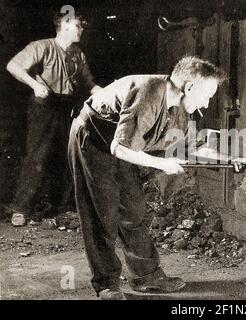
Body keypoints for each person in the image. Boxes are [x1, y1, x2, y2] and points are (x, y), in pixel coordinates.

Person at [68, 56, 226, 300]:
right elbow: (119, 148)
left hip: (124, 146)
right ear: (190, 87)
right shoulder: (150, 92)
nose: (207, 103)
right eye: (207, 95)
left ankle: (147, 276)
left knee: (133, 209)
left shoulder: (181, 108)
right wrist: (161, 163)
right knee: (103, 213)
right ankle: (106, 284)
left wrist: (230, 158)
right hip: (93, 141)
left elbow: (187, 147)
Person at [6, 11, 101, 226]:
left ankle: (58, 209)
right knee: (38, 156)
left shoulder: (78, 54)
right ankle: (21, 209)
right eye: (78, 26)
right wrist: (35, 84)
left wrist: (106, 92)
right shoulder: (42, 46)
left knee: (66, 157)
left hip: (67, 106)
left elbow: (89, 84)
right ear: (65, 25)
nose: (82, 30)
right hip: (45, 106)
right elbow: (13, 65)